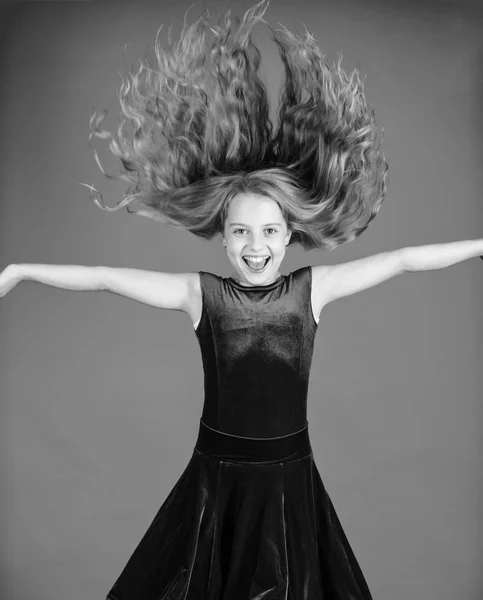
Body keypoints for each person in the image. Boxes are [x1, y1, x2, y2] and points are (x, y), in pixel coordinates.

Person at [0, 1, 481, 598]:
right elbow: (103, 275)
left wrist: (479, 246)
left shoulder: (313, 292)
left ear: (291, 235)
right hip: (216, 485)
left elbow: (404, 260)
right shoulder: (199, 296)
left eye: (271, 232)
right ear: (222, 236)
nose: (256, 247)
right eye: (241, 233)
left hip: (289, 485)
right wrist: (18, 270)